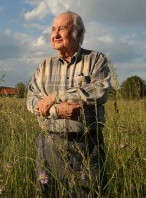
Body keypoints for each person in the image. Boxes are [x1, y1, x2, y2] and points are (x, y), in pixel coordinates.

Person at [27, 11, 110, 198]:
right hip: (49, 143)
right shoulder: (44, 66)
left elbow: (99, 90)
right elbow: (31, 100)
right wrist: (56, 110)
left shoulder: (95, 60)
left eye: (62, 29)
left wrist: (56, 97)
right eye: (53, 29)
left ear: (78, 33)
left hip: (87, 144)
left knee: (90, 193)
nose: (55, 34)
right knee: (48, 193)